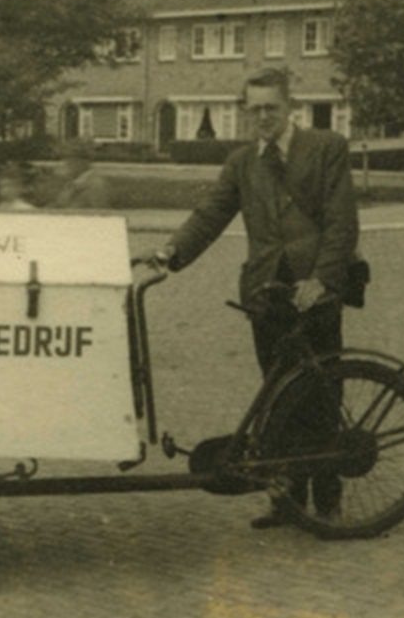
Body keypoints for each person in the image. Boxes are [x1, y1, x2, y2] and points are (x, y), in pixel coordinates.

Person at [147, 67, 360, 529]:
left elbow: (342, 222)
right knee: (275, 396)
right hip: (266, 293)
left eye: (272, 108)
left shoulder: (326, 149)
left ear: (290, 108)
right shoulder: (242, 163)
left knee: (322, 393)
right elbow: (211, 215)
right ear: (246, 111)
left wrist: (320, 279)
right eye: (255, 109)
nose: (263, 117)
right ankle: (286, 499)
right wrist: (170, 251)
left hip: (313, 293)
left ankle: (327, 502)